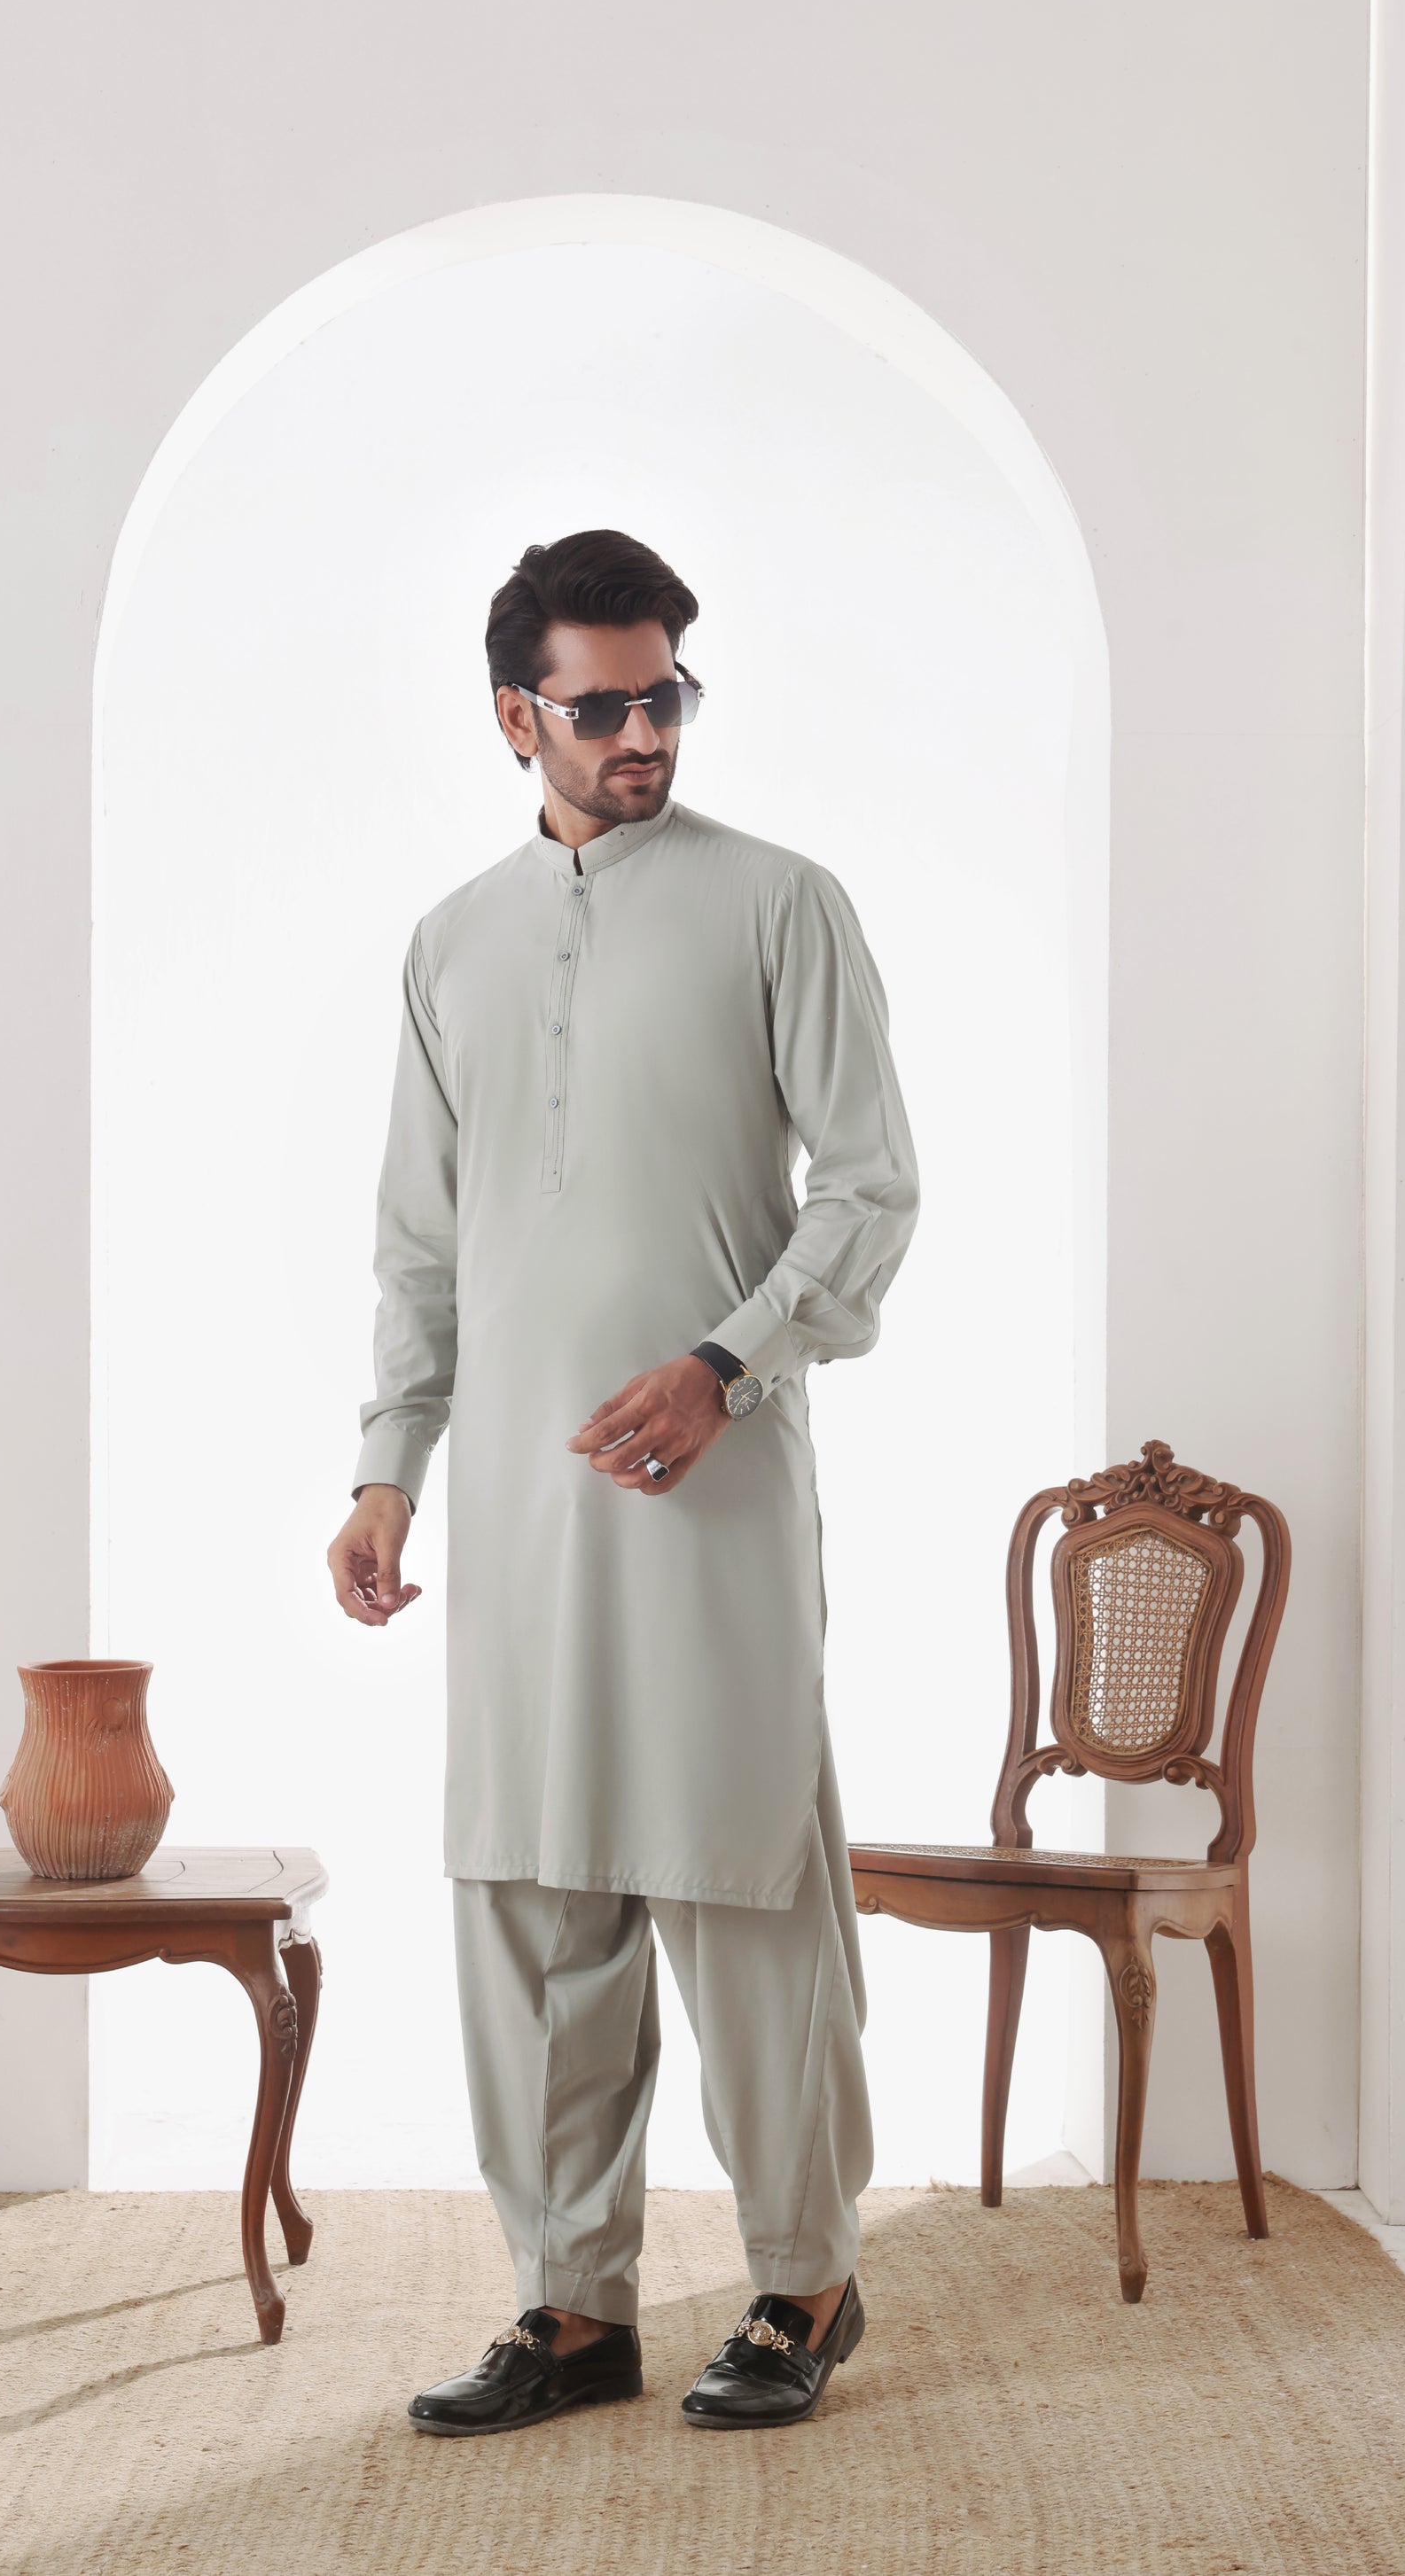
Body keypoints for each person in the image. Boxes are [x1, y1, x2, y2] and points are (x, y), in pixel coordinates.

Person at [326, 529, 919, 2434]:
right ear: (519, 715)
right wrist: (388, 1469)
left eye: (666, 693)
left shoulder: (778, 904)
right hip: (520, 1506)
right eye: (601, 705)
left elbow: (870, 1187)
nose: (643, 730)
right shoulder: (452, 943)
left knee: (742, 1876)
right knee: (536, 1885)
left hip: (713, 1485)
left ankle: (804, 2281)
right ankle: (571, 2305)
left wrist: (725, 1365)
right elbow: (421, 1244)